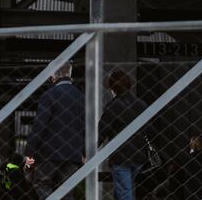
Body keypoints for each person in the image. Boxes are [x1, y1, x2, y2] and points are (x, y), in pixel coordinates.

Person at [25, 62, 84, 200]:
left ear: (52, 75)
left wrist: (29, 152)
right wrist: (84, 152)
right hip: (73, 152)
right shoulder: (82, 97)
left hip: (49, 152)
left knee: (42, 183)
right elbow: (87, 126)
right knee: (67, 189)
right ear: (70, 74)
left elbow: (39, 126)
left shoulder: (49, 95)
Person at [98, 70, 149, 200]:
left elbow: (102, 131)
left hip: (121, 157)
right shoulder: (141, 105)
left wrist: (87, 152)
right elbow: (149, 130)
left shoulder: (113, 106)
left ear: (113, 88)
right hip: (139, 156)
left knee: (124, 193)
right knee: (121, 189)